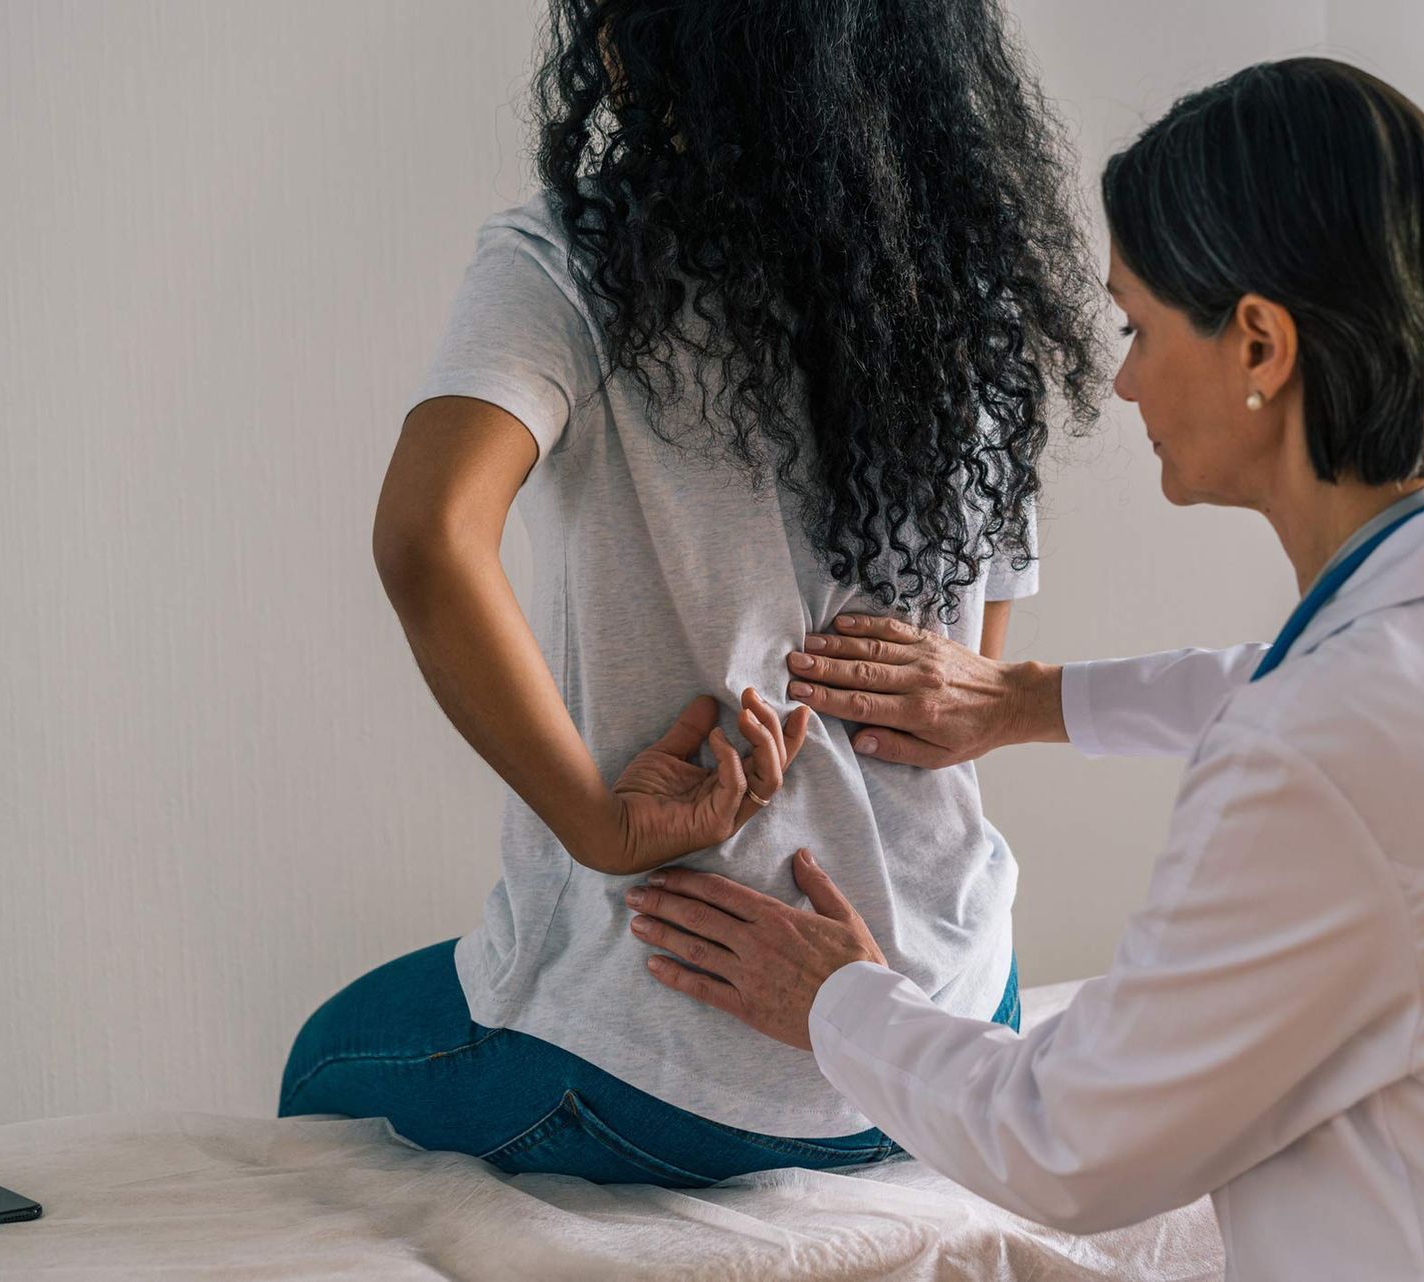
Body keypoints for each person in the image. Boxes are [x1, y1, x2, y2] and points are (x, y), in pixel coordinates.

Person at [625, 58, 1424, 1278]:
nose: (1121, 377)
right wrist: (1028, 700)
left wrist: (839, 995)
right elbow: (1323, 687)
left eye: (1136, 325)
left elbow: (1065, 1142)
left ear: (1260, 344)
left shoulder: (1327, 744)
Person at [277, 0, 1105, 1187]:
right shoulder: (971, 277)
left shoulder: (579, 258)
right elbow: (975, 659)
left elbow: (428, 536)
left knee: (323, 1064)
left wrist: (598, 823)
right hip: (958, 1019)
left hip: (683, 1070)